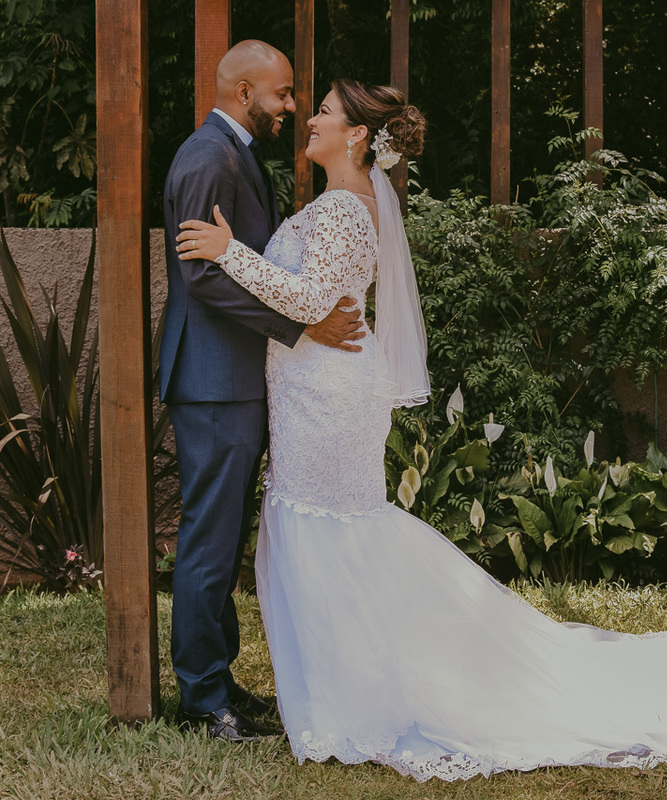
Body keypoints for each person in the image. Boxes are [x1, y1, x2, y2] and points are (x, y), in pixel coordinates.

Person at [176, 78, 667, 781]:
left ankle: (364, 696)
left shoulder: (343, 207)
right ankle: (348, 685)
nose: (311, 118)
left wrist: (227, 250)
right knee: (327, 526)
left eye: (326, 112)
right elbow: (315, 300)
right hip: (316, 388)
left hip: (329, 398)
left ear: (358, 135)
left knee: (335, 528)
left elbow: (309, 300)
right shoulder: (342, 202)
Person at [161, 40, 367, 742]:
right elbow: (204, 274)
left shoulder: (236, 153)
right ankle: (201, 702)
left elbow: (239, 260)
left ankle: (218, 680)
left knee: (222, 537)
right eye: (281, 94)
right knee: (210, 542)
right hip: (214, 379)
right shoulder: (207, 157)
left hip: (237, 380)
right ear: (245, 92)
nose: (291, 107)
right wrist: (301, 325)